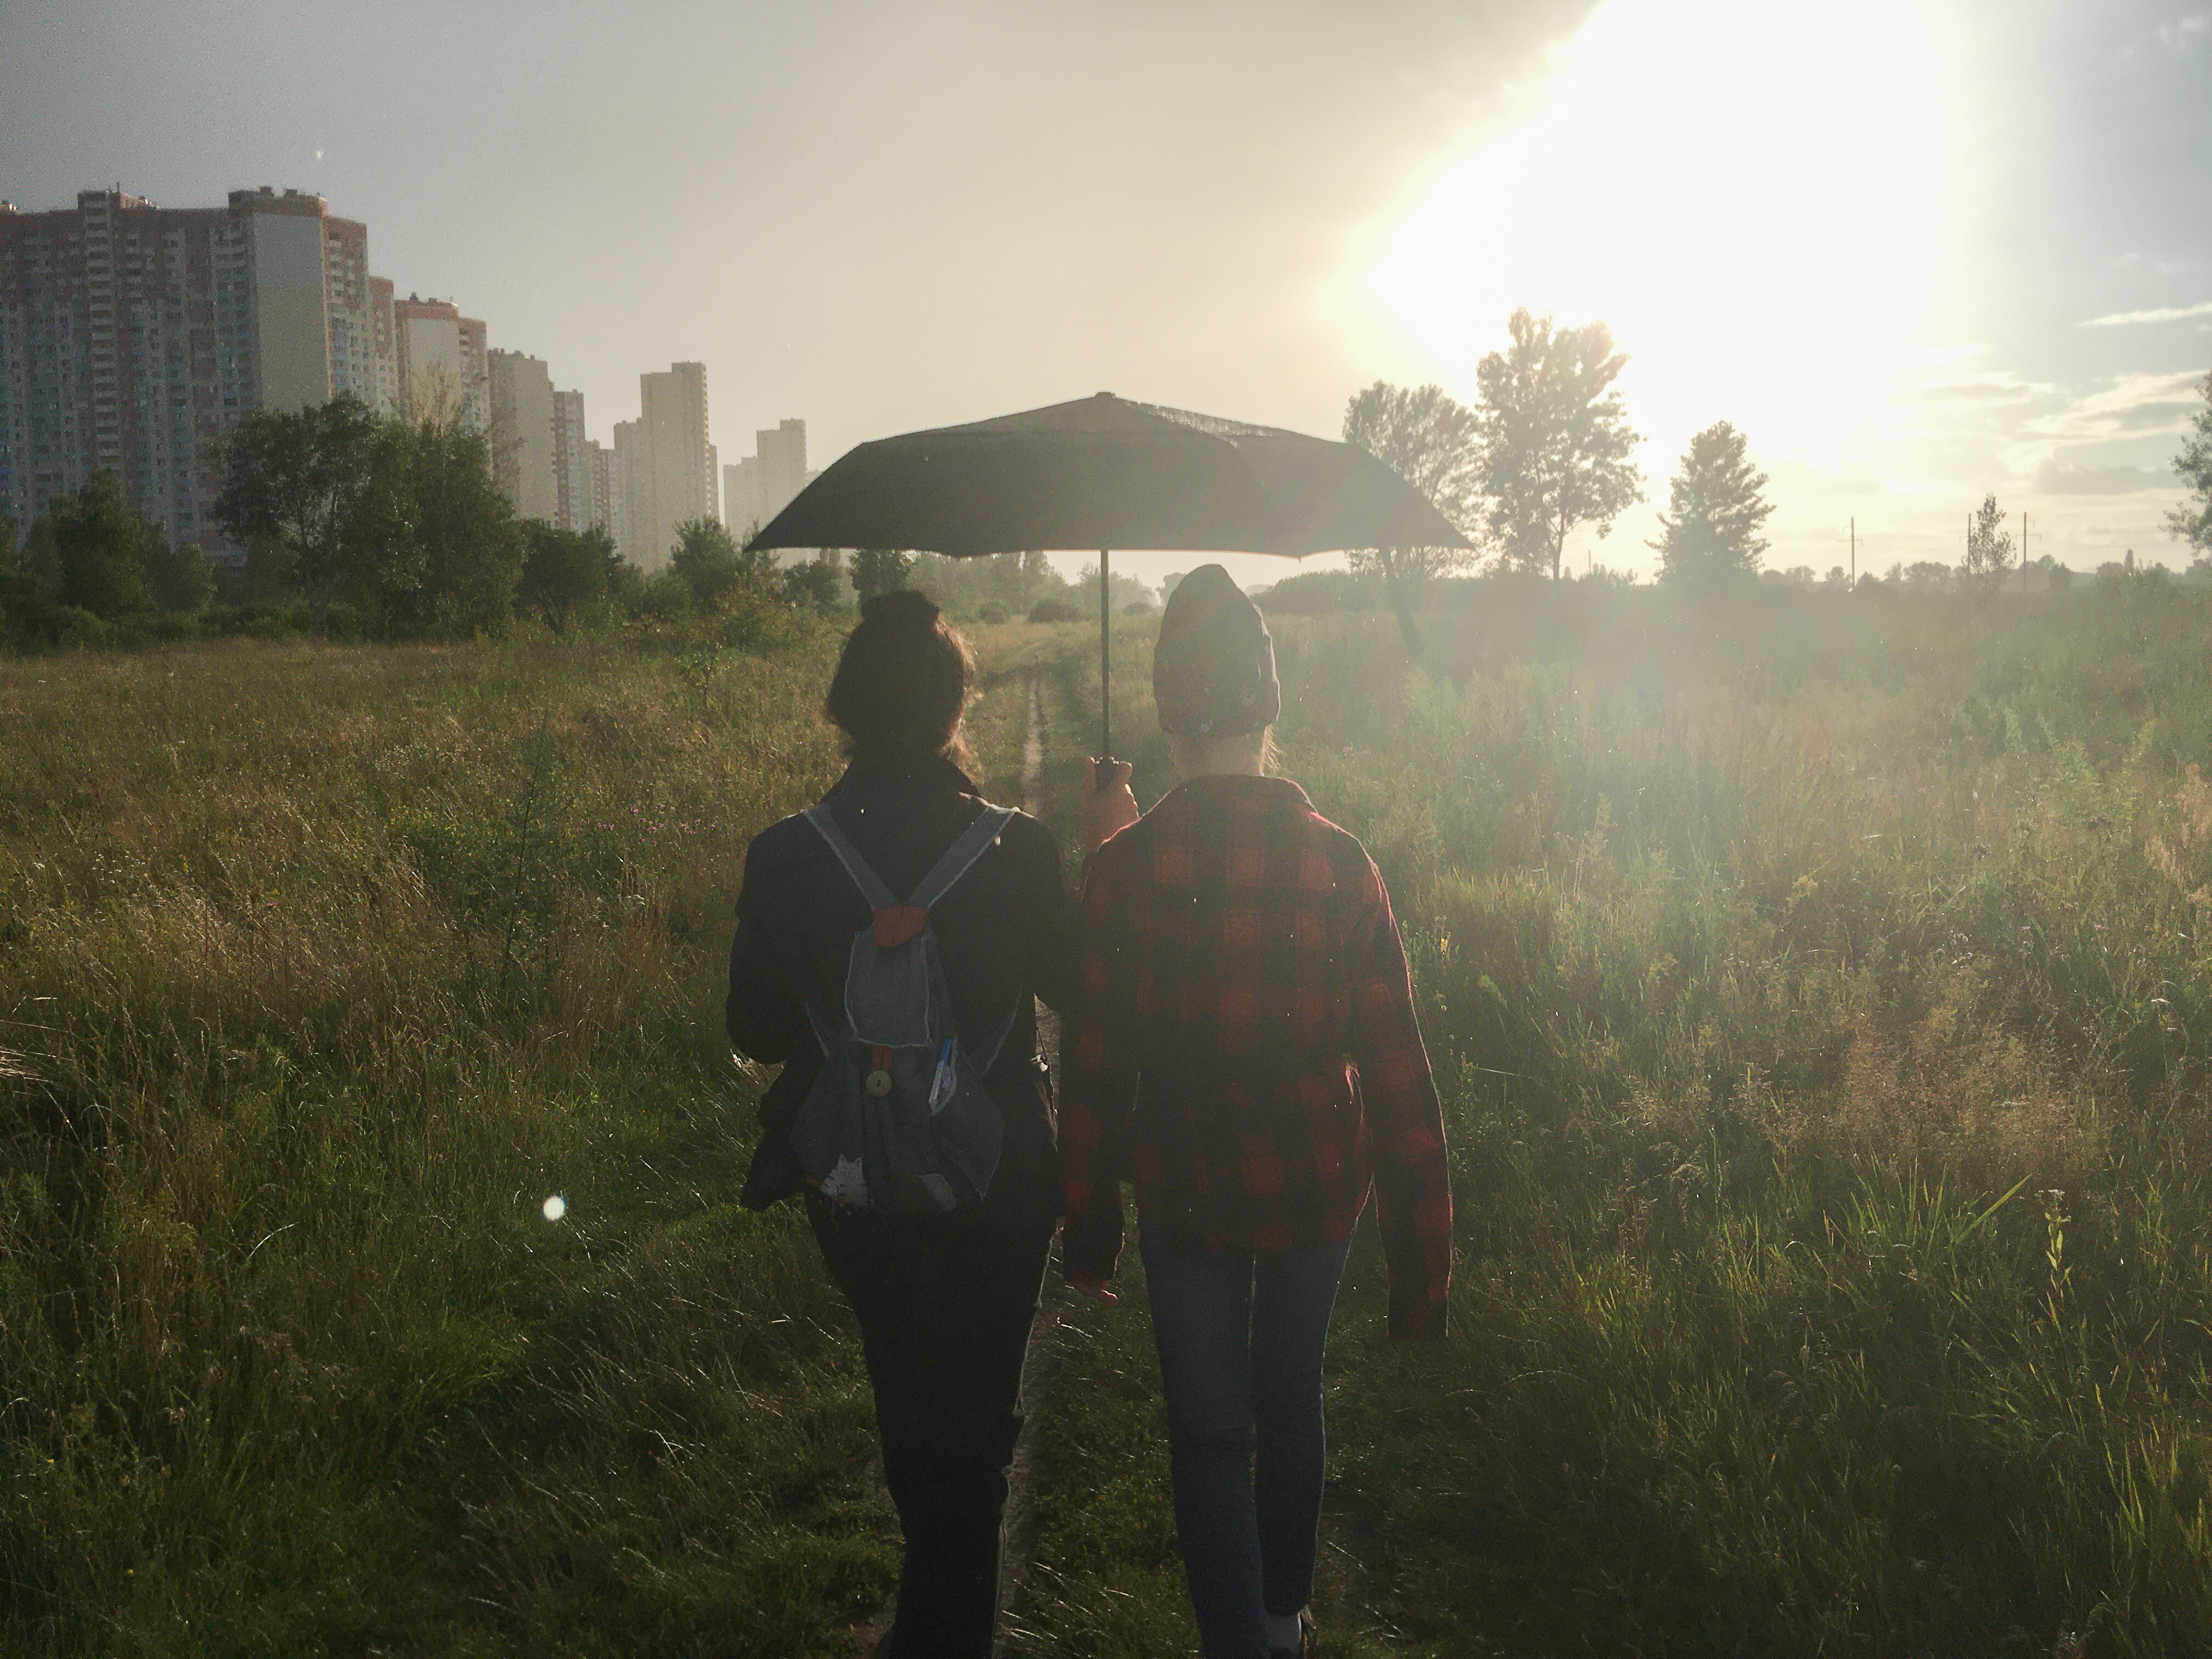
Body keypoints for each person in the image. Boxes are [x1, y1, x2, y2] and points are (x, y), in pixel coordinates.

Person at [1059, 565, 1453, 1659]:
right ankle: (1281, 1622)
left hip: (1183, 1191)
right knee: (1292, 1400)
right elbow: (1400, 1075)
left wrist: (1088, 1228)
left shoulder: (1125, 870)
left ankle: (1242, 1642)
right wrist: (1422, 1265)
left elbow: (1093, 1069)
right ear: (1269, 707)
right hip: (1318, 1189)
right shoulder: (1342, 864)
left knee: (1208, 1433)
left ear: (1167, 716)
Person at [727, 590, 1078, 1659]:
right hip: (999, 1176)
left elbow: (756, 1030)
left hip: (855, 1177)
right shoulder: (1023, 850)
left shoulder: (784, 854)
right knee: (978, 1423)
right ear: (955, 708)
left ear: (842, 710)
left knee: (907, 1389)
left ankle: (928, 1624)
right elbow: (1079, 991)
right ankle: (944, 1626)